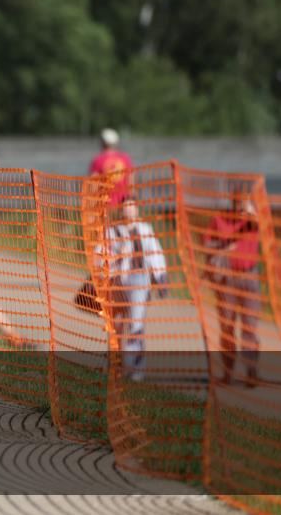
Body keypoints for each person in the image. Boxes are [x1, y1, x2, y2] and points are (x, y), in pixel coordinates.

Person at [94, 197, 167, 381]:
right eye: (126, 208)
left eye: (132, 208)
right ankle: (118, 365)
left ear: (136, 210)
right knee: (117, 326)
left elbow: (155, 255)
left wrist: (160, 278)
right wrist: (114, 260)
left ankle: (135, 368)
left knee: (135, 323)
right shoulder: (113, 232)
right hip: (118, 283)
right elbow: (99, 257)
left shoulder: (145, 230)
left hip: (140, 281)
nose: (129, 212)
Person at [206, 193, 261, 386]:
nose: (241, 207)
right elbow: (207, 244)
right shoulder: (219, 219)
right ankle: (228, 373)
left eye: (244, 203)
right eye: (239, 202)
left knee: (249, 328)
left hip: (249, 277)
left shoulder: (252, 221)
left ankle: (251, 371)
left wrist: (252, 211)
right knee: (227, 328)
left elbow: (264, 225)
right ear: (232, 201)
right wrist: (223, 248)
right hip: (227, 279)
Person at [89, 128, 133, 206]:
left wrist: (92, 204)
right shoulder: (125, 158)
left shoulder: (98, 160)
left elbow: (93, 184)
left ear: (102, 142)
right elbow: (131, 180)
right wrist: (131, 198)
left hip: (105, 204)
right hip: (123, 202)